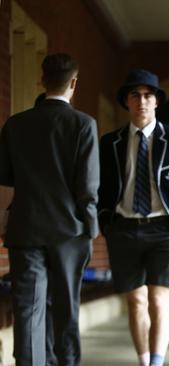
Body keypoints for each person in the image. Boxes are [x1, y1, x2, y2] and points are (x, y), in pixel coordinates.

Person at [97, 69, 169, 366]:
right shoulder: (110, 143)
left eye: (148, 95)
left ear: (156, 102)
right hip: (124, 229)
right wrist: (107, 223)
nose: (142, 101)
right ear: (126, 102)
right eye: (135, 96)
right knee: (136, 301)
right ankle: (144, 362)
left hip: (165, 230)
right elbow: (102, 188)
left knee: (158, 300)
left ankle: (156, 363)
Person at [0, 53, 99, 366]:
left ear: (42, 81)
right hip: (69, 231)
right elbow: (88, 186)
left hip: (26, 228)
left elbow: (4, 178)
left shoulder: (15, 125)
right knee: (66, 309)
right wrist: (91, 227)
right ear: (73, 83)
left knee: (29, 311)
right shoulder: (83, 124)